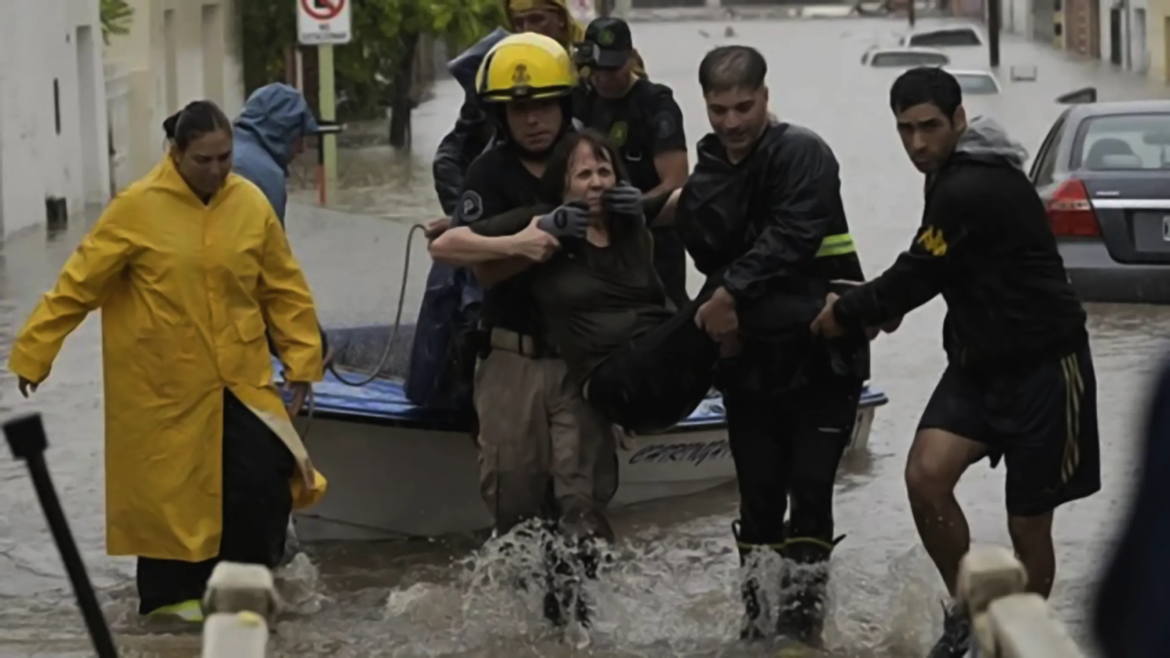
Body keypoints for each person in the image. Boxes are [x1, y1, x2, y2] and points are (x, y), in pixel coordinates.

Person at [810, 67, 1099, 658]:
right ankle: (968, 613)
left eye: (930, 127)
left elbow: (921, 270)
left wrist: (850, 312)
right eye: (906, 130)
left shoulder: (972, 183)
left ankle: (1019, 638)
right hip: (976, 365)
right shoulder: (946, 176)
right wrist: (882, 308)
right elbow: (939, 264)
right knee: (925, 478)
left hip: (1046, 368)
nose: (918, 143)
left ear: (958, 121)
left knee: (1028, 526)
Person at [7, 100, 329, 622]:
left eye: (225, 157)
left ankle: (248, 600)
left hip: (240, 379)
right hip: (164, 387)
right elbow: (78, 284)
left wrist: (302, 361)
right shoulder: (137, 207)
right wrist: (35, 351)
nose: (218, 170)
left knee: (263, 483)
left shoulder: (248, 203)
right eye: (204, 159)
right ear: (175, 154)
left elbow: (283, 288)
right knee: (169, 498)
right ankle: (168, 617)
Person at [671, 46, 869, 644]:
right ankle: (756, 629)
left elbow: (794, 234)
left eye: (744, 107)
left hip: (823, 356)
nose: (732, 122)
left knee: (810, 492)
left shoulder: (803, 152)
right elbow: (704, 246)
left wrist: (730, 294)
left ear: (765, 95)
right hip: (750, 361)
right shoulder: (709, 171)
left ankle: (803, 632)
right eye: (718, 109)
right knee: (758, 500)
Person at [427, 32, 618, 595]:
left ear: (566, 105)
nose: (533, 120)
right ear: (499, 116)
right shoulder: (489, 175)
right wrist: (522, 244)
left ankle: (578, 620)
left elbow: (637, 260)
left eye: (543, 106)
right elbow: (464, 255)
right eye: (519, 110)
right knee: (513, 499)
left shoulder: (593, 162)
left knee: (581, 503)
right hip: (512, 355)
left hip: (580, 360)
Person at [432, 130, 719, 436]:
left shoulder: (626, 217)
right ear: (562, 184)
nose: (596, 183)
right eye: (584, 174)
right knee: (719, 294)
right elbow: (443, 245)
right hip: (612, 379)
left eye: (604, 172)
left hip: (655, 366)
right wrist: (522, 241)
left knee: (733, 295)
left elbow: (690, 198)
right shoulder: (542, 219)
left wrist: (642, 200)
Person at [573, 17, 690, 307]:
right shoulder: (580, 100)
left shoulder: (656, 105)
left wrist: (639, 206)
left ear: (631, 58)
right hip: (594, 231)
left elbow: (677, 184)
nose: (603, 78)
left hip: (653, 234)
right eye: (597, 69)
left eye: (612, 68)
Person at [432, 0, 585, 213]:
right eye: (518, 23)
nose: (527, 31)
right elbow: (451, 156)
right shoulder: (500, 69)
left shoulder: (593, 64)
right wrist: (464, 215)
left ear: (560, 19)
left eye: (536, 19)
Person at [232, 82, 332, 383]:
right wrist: (307, 344)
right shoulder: (262, 175)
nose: (301, 149)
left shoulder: (225, 153)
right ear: (283, 131)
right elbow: (272, 274)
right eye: (299, 137)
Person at [232, 82, 322, 226]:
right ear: (286, 132)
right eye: (300, 137)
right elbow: (272, 245)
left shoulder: (221, 148)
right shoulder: (267, 176)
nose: (301, 150)